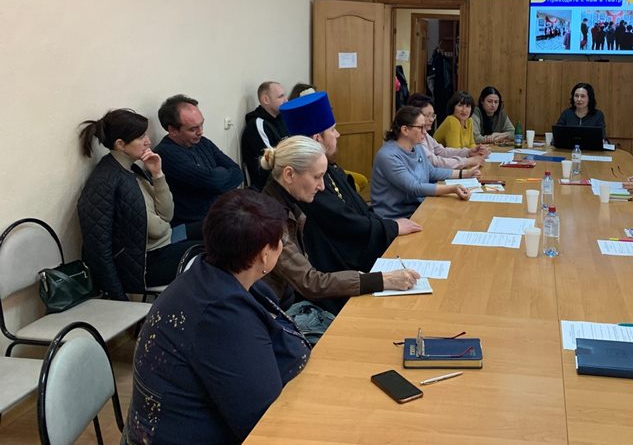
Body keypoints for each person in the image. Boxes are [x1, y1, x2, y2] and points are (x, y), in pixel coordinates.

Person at [125, 190, 311, 444]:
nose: (282, 246)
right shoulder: (221, 315)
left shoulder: (210, 276)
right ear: (264, 255)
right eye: (281, 241)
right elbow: (264, 424)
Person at [260, 135, 420, 316]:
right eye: (317, 177)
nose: (322, 187)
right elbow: (310, 283)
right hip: (278, 312)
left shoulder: (289, 199)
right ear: (289, 174)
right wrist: (383, 280)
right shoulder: (270, 220)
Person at [278, 91, 421, 276]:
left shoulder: (330, 169)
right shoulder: (305, 182)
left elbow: (360, 208)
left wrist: (387, 226)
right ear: (317, 138)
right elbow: (343, 222)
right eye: (332, 130)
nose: (338, 134)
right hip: (340, 268)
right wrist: (391, 228)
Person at [77, 109, 201, 299]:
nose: (148, 141)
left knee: (222, 229)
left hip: (166, 240)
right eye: (141, 136)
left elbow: (167, 215)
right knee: (217, 251)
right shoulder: (104, 182)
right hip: (145, 263)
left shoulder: (132, 169)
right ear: (120, 144)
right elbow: (98, 248)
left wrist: (157, 174)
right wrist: (118, 296)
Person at [371, 106, 477, 220]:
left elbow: (431, 172)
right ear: (405, 130)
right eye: (421, 127)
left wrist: (465, 173)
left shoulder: (417, 147)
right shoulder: (388, 156)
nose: (425, 132)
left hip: (419, 207)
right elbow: (414, 187)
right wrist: (452, 189)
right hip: (396, 218)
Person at [155, 94, 243, 231]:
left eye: (201, 124)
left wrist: (215, 176)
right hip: (189, 226)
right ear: (172, 130)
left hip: (217, 216)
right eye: (193, 129)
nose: (200, 132)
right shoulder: (166, 154)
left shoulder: (203, 142)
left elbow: (237, 172)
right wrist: (218, 175)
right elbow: (213, 182)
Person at [407, 93, 485, 169]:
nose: (431, 119)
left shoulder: (425, 134)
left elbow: (441, 151)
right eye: (427, 115)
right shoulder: (413, 138)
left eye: (432, 115)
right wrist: (467, 161)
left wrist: (469, 152)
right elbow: (434, 162)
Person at [241, 81, 289, 190]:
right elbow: (270, 162)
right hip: (269, 187)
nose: (286, 100)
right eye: (281, 96)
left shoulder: (281, 118)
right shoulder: (257, 125)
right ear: (266, 100)